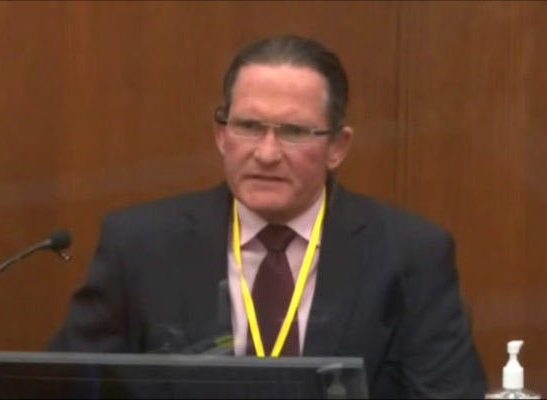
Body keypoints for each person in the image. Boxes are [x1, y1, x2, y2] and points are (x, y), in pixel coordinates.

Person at [50, 35, 486, 398]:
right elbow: (65, 388)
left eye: (294, 132)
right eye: (249, 127)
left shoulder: (410, 256)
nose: (266, 153)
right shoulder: (140, 247)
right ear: (222, 135)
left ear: (337, 147)